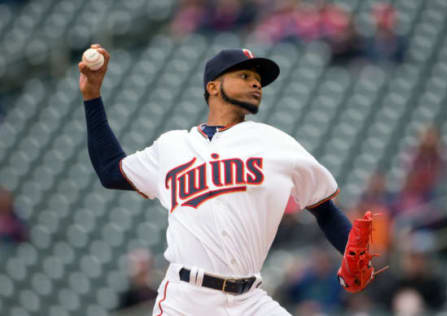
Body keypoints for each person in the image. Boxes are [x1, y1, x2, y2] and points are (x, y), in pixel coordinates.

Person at [79, 44, 378, 315]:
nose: (256, 83)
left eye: (258, 79)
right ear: (212, 86)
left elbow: (324, 208)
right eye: (245, 76)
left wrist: (354, 256)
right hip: (185, 300)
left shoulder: (275, 143)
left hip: (250, 300)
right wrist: (92, 96)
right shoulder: (172, 146)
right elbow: (110, 170)